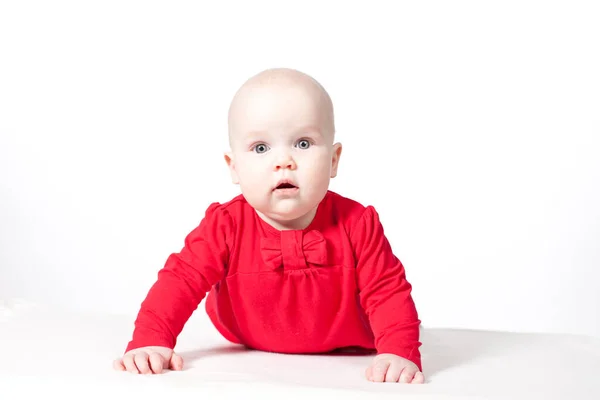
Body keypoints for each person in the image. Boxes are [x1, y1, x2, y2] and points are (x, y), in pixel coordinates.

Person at [113, 68, 424, 384]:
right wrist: (151, 340)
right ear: (234, 167)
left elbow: (387, 291)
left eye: (303, 143)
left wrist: (398, 352)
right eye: (261, 148)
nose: (284, 161)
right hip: (251, 345)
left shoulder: (358, 223)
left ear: (333, 160)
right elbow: (180, 281)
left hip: (353, 346)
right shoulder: (225, 225)